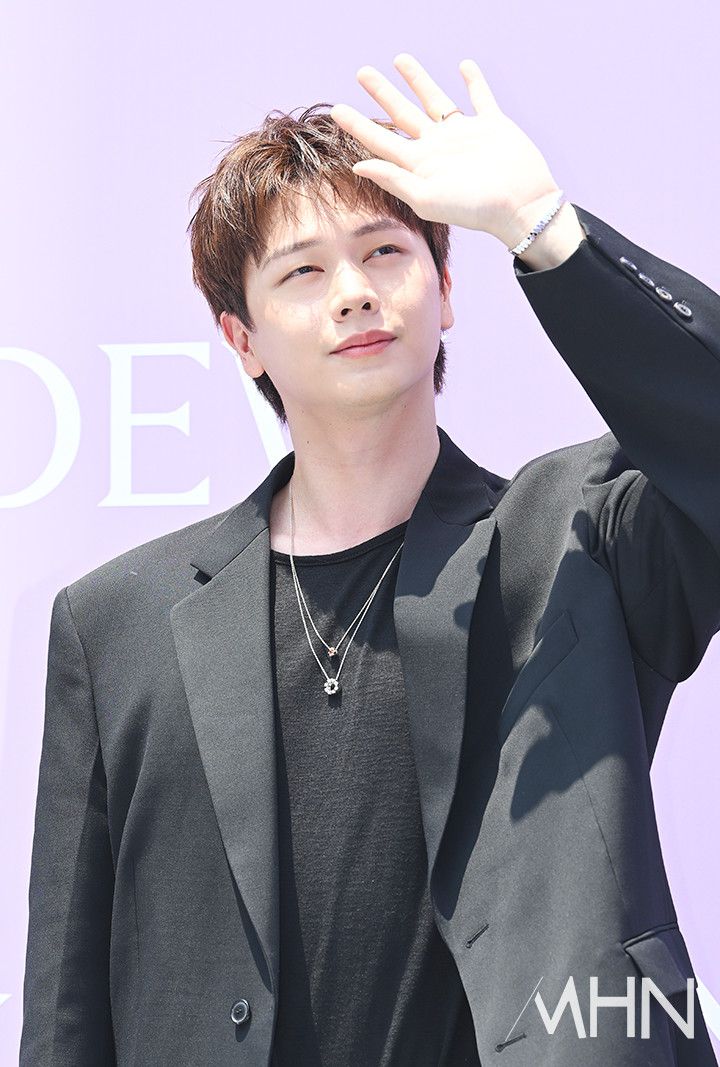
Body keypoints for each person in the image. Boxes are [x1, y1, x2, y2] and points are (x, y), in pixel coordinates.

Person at [20, 52, 720, 1066]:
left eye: (385, 252)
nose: (352, 292)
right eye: (302, 271)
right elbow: (65, 1011)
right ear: (242, 338)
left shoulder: (584, 538)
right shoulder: (114, 621)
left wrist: (541, 225)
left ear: (446, 287)